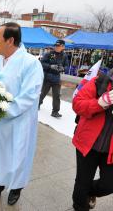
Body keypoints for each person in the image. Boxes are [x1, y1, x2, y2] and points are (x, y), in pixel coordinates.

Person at [0, 22, 44, 205]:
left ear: (10, 40)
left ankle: (16, 188)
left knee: (17, 155)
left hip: (18, 121)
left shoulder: (31, 63)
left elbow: (29, 96)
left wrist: (2, 110)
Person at [72, 70, 113, 211]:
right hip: (88, 144)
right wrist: (99, 103)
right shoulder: (98, 81)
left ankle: (89, 192)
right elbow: (77, 104)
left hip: (110, 151)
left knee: (108, 184)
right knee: (82, 183)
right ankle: (80, 203)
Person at [39, 40, 69, 118]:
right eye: (55, 45)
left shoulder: (64, 56)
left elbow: (66, 66)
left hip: (56, 78)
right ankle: (37, 104)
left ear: (63, 47)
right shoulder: (49, 53)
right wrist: (50, 66)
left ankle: (55, 111)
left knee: (57, 95)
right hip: (47, 77)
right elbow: (41, 63)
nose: (56, 47)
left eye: (58, 46)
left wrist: (63, 68)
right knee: (43, 93)